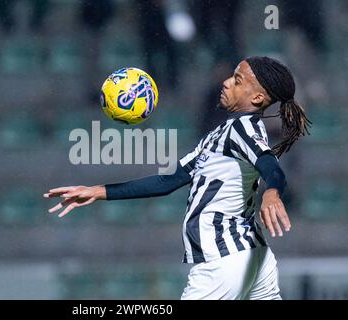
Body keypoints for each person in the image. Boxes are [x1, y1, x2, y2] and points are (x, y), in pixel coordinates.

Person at [44, 56, 311, 300]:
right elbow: (168, 182)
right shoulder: (223, 133)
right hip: (254, 256)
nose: (227, 82)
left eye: (237, 80)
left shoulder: (242, 129)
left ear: (256, 98)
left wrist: (272, 191)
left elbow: (270, 166)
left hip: (224, 260)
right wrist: (98, 191)